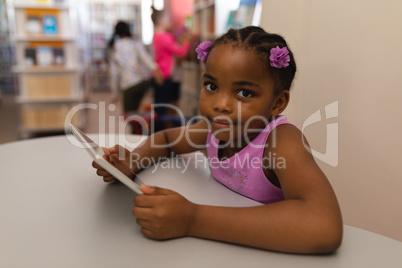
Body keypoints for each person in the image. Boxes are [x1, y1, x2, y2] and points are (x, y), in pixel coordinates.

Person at [93, 26, 343, 254]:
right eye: (212, 86)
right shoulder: (212, 130)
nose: (220, 105)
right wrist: (133, 160)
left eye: (244, 93)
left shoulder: (281, 140)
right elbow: (168, 139)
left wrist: (193, 219)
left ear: (277, 103)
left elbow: (323, 225)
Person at [107, 21, 163, 113]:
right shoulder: (135, 43)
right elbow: (146, 59)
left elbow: (114, 73)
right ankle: (139, 126)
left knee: (129, 115)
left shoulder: (115, 47)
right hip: (141, 82)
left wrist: (114, 94)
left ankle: (138, 127)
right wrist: (156, 70)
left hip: (128, 85)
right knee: (135, 112)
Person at [150, 7, 191, 130]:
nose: (169, 22)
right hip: (164, 76)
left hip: (159, 74)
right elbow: (180, 52)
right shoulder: (164, 37)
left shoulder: (157, 36)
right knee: (163, 109)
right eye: (167, 19)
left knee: (159, 108)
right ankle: (159, 135)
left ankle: (157, 134)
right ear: (160, 21)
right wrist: (187, 41)